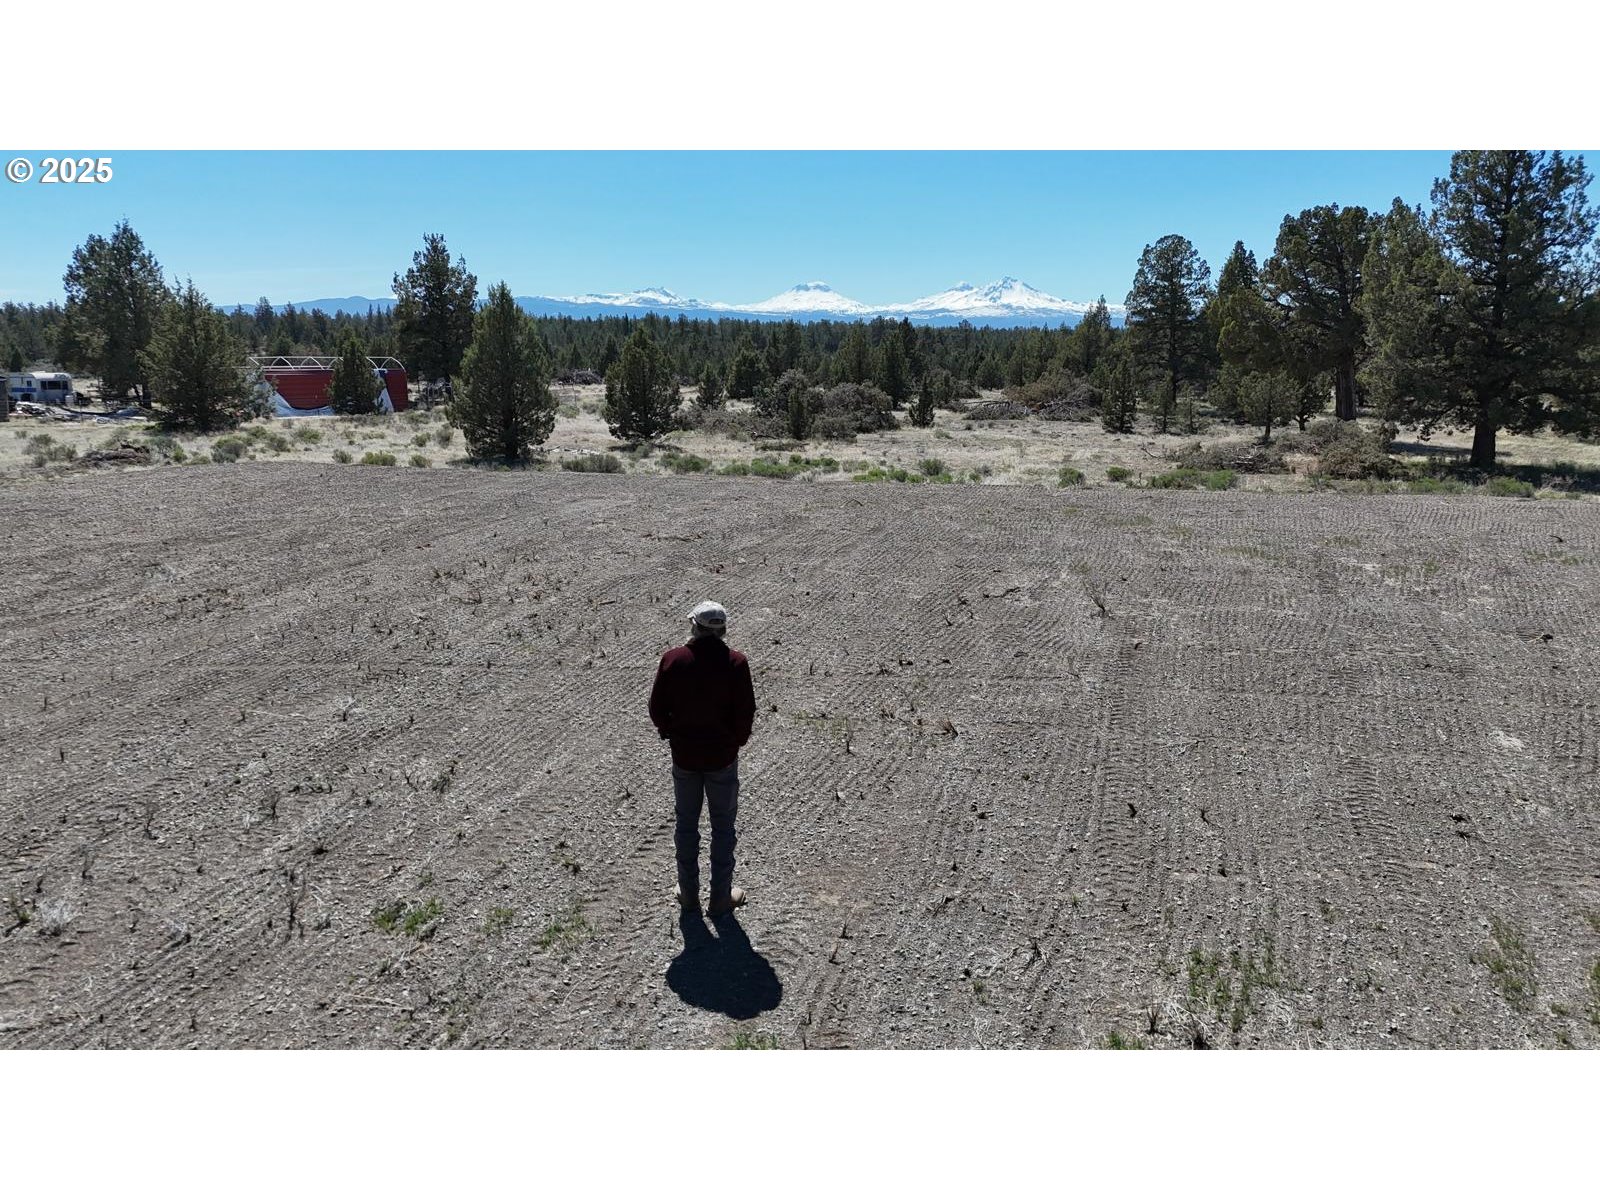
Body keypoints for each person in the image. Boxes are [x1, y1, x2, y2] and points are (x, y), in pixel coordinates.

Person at [649, 600, 757, 918]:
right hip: (722, 758)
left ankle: (689, 894)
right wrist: (734, 743)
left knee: (686, 825)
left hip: (684, 757)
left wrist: (669, 732)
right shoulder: (736, 663)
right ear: (723, 630)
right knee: (723, 827)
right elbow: (746, 712)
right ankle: (721, 898)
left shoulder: (673, 659)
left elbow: (657, 708)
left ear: (694, 626)